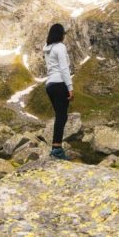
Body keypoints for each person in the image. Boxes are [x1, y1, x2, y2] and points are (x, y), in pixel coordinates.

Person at [43, 23, 74, 160]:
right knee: (62, 116)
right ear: (60, 34)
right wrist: (70, 87)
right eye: (63, 34)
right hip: (60, 83)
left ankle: (56, 147)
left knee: (60, 116)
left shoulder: (47, 49)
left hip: (50, 84)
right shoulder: (60, 47)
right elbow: (64, 68)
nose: (64, 37)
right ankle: (57, 150)